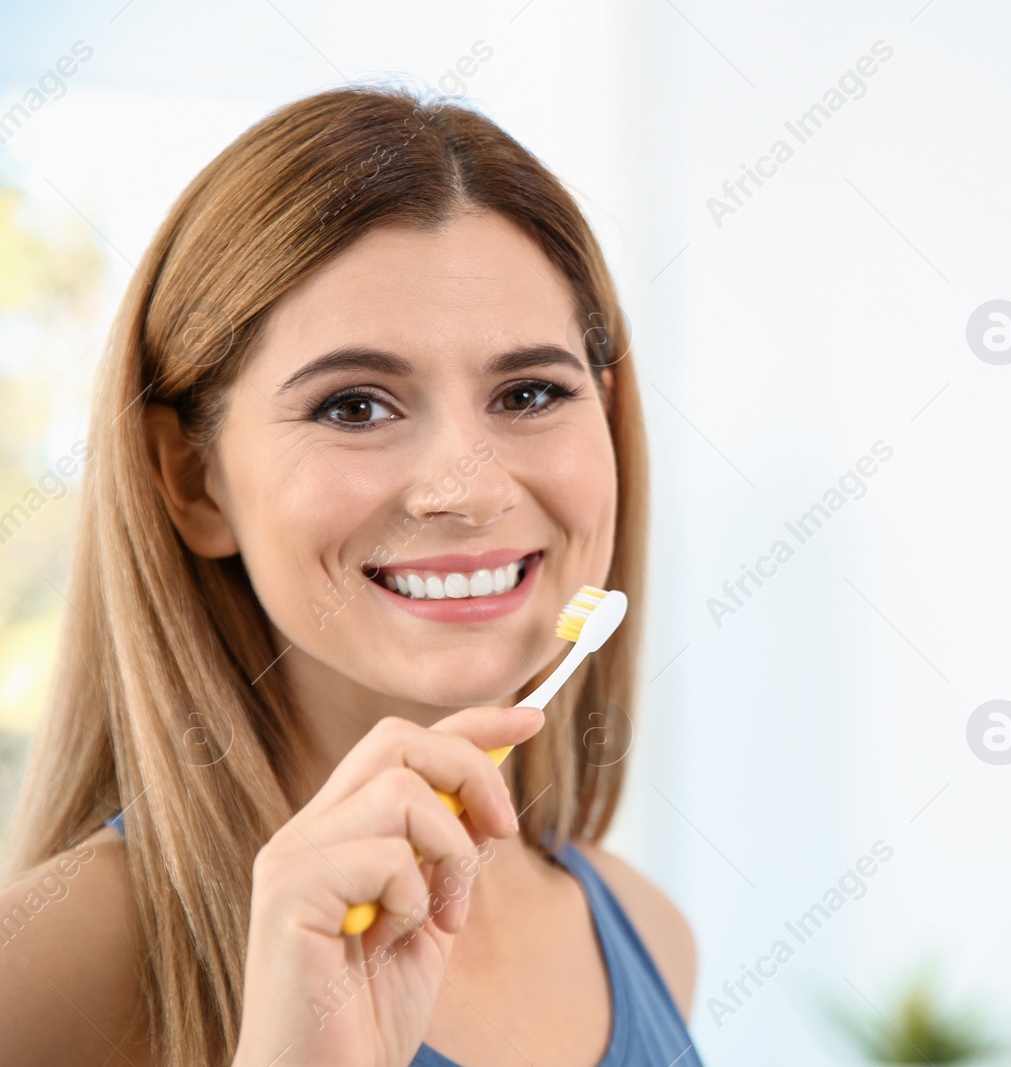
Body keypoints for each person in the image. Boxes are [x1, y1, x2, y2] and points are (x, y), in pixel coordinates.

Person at [0, 85, 700, 1067]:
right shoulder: (40, 971)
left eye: (531, 391)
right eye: (355, 406)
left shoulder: (645, 930)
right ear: (192, 478)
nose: (466, 488)